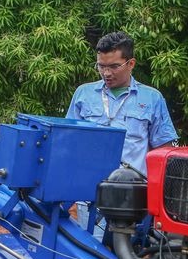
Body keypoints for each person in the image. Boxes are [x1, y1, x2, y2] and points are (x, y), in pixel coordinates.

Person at [66, 32, 177, 176]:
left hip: (130, 191)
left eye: (114, 66)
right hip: (84, 190)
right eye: (101, 66)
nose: (106, 73)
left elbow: (163, 152)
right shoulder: (83, 94)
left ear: (131, 64)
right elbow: (68, 142)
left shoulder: (152, 98)